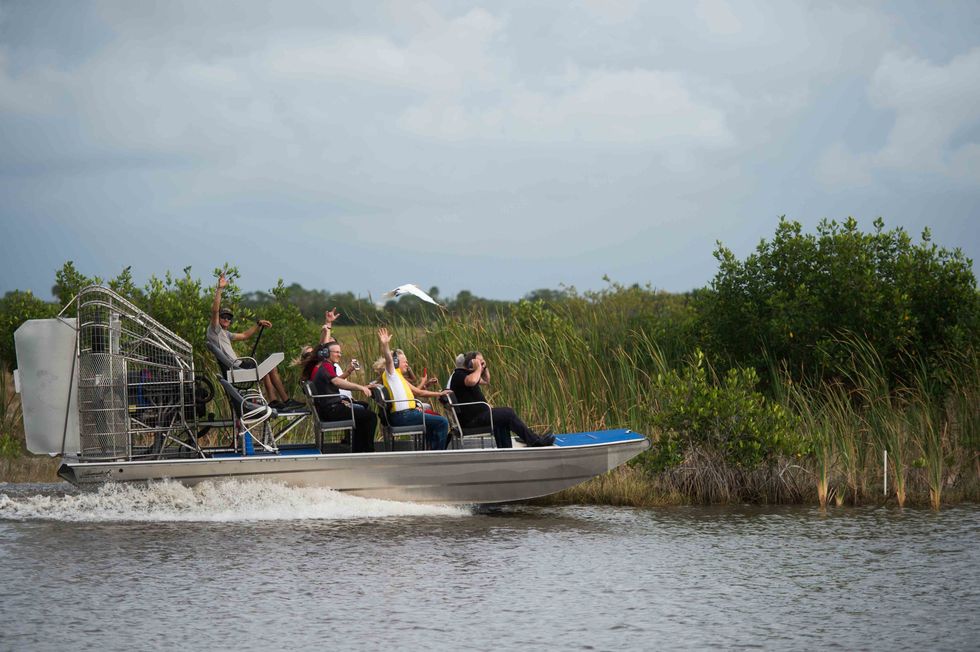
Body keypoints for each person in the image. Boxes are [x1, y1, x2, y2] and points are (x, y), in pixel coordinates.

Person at [208, 272, 302, 410]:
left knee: (269, 368)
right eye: (224, 317)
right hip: (236, 368)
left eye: (229, 318)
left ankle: (275, 401)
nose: (226, 319)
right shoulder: (215, 330)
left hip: (237, 366)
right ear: (219, 318)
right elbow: (215, 311)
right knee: (271, 367)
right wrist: (220, 289)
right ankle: (285, 401)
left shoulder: (225, 334)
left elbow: (245, 335)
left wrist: (258, 324)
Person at [448, 351, 555, 448]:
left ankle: (505, 448)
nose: (481, 364)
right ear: (471, 363)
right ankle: (534, 441)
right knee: (508, 412)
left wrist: (484, 368)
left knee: (502, 418)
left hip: (479, 416)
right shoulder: (459, 375)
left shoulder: (467, 374)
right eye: (479, 362)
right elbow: (471, 381)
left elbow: (486, 380)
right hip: (472, 420)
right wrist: (478, 369)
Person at [375, 328, 451, 450]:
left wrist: (439, 393)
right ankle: (437, 454)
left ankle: (430, 450)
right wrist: (385, 345)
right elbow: (388, 359)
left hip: (408, 414)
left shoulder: (399, 377)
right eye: (405, 362)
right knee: (442, 422)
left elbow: (418, 392)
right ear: (396, 362)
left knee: (434, 422)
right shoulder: (391, 374)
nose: (407, 364)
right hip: (403, 416)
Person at [303, 340, 379, 453]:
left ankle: (359, 450)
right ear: (326, 353)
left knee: (363, 414)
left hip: (330, 408)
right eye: (336, 352)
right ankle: (367, 450)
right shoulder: (326, 367)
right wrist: (361, 388)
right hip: (331, 410)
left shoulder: (328, 366)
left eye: (340, 352)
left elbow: (334, 384)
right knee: (371, 416)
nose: (339, 355)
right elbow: (337, 382)